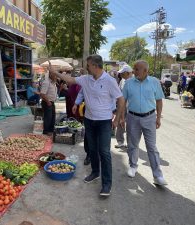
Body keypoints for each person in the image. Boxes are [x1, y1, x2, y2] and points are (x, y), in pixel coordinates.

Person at [49, 55, 125, 196]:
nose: (86, 67)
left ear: (95, 66)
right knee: (92, 148)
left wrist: (117, 119)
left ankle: (107, 184)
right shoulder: (86, 79)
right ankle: (95, 172)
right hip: (89, 120)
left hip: (104, 122)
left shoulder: (110, 81)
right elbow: (70, 80)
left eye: (88, 65)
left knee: (104, 152)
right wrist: (55, 72)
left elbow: (121, 100)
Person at [122, 60, 167, 186]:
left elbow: (159, 100)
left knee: (152, 147)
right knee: (132, 144)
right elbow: (123, 101)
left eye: (137, 69)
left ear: (146, 71)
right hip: (132, 117)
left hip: (149, 117)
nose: (134, 72)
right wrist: (120, 117)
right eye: (134, 69)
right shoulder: (129, 83)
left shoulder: (154, 82)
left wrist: (158, 118)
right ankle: (133, 166)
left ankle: (157, 176)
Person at [115, 65, 133, 148]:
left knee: (130, 125)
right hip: (122, 105)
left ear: (128, 73)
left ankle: (130, 143)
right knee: (120, 122)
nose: (121, 75)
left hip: (131, 107)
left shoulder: (134, 81)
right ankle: (120, 141)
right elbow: (118, 92)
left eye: (123, 73)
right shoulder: (122, 80)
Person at [72, 88, 90, 165]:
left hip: (103, 115)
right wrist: (76, 104)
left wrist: (113, 110)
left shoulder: (108, 80)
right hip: (89, 113)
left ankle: (99, 155)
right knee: (88, 136)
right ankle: (89, 154)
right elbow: (81, 94)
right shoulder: (87, 80)